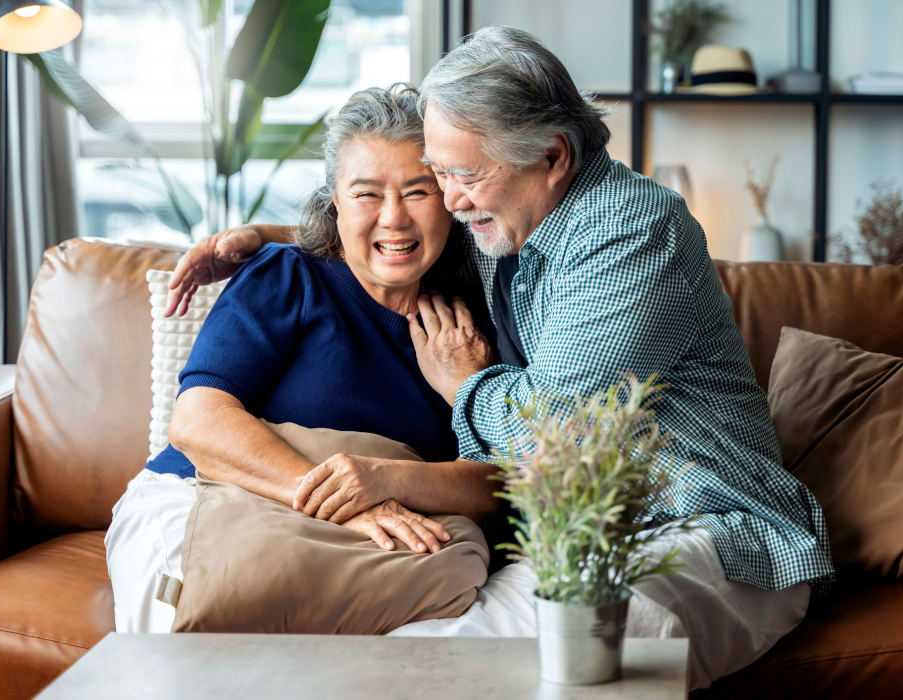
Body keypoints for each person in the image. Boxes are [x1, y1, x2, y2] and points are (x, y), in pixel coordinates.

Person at [166, 28, 837, 690]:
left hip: (707, 534)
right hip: (581, 532)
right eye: (443, 175)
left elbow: (552, 435)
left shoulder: (630, 234)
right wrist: (266, 237)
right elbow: (391, 225)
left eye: (462, 176)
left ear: (552, 155)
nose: (451, 199)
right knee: (408, 655)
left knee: (467, 670)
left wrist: (466, 383)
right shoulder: (507, 218)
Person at [105, 84, 503, 634]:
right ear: (333, 201)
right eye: (366, 194)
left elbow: (500, 482)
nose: (394, 219)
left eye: (418, 191)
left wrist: (399, 464)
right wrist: (347, 500)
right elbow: (198, 422)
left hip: (380, 534)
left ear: (452, 198)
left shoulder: (471, 326)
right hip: (214, 497)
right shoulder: (289, 275)